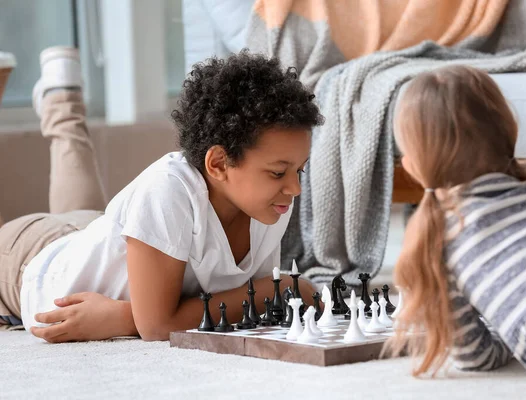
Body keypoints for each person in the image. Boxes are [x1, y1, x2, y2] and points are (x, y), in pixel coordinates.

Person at [0, 47, 323, 342]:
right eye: (278, 173)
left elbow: (250, 302)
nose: (294, 188)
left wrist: (127, 316)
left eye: (300, 170)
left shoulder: (270, 202)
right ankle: (62, 102)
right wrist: (284, 289)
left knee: (84, 215)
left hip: (97, 238)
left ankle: (61, 96)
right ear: (219, 163)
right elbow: (157, 326)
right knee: (78, 220)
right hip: (25, 261)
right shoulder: (167, 190)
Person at [388, 65, 526, 386]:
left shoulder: (438, 239)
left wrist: (514, 337)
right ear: (508, 131)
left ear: (415, 164)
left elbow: (475, 356)